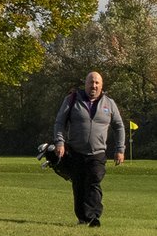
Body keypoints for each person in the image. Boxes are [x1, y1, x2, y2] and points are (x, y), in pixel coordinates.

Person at [54, 70, 126, 227]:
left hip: (97, 153)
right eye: (90, 82)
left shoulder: (109, 103)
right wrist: (60, 142)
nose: (93, 85)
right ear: (85, 84)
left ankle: (93, 217)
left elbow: (119, 126)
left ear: (101, 85)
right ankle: (82, 218)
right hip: (76, 151)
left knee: (94, 181)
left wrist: (120, 149)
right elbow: (60, 122)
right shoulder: (72, 99)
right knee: (79, 184)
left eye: (97, 83)